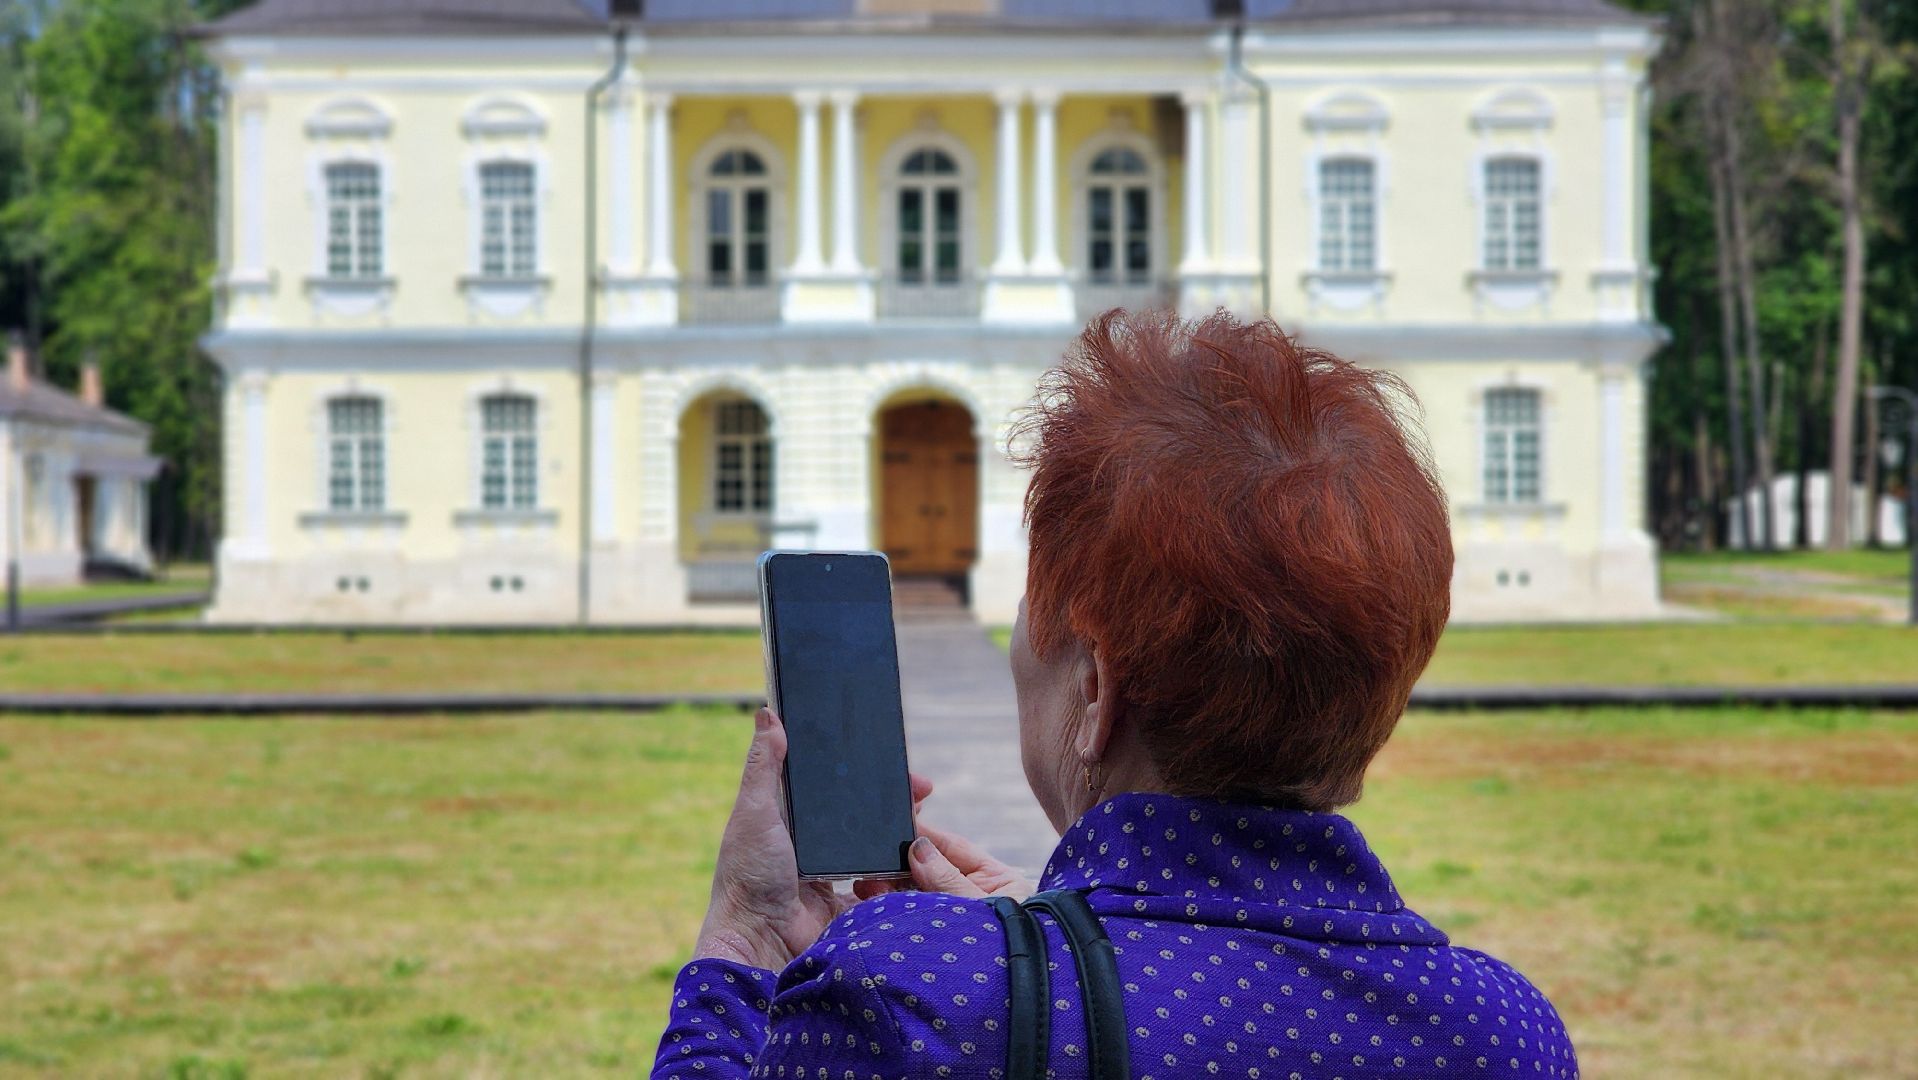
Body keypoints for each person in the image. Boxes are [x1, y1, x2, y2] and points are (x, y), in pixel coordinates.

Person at [653, 311, 1577, 1078]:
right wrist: (1059, 925)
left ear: (1095, 688)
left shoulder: (907, 995)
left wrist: (745, 939)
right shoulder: (1505, 1033)